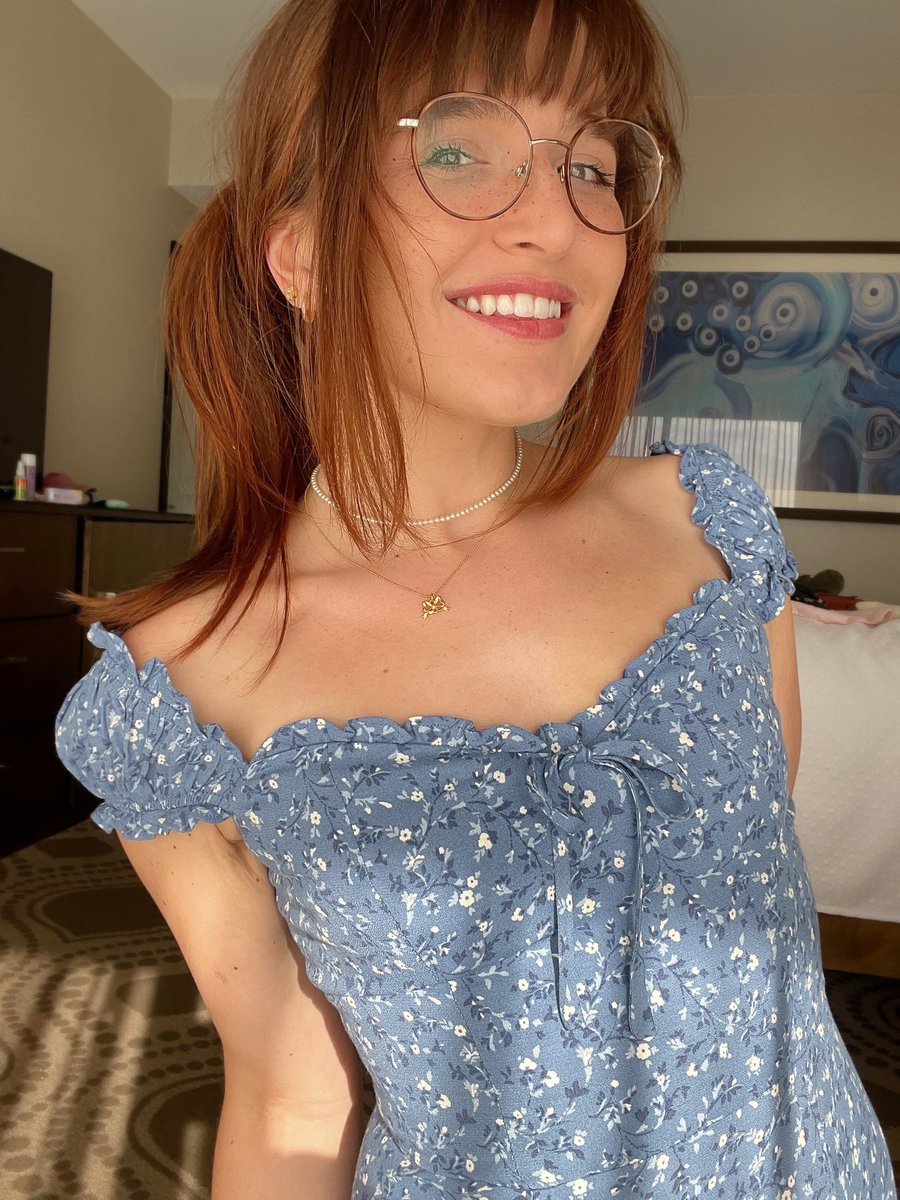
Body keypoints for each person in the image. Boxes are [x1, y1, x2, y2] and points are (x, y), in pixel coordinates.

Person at [54, 1, 897, 1197]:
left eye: (592, 165)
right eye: (456, 149)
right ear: (302, 255)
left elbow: (765, 914)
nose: (557, 218)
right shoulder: (179, 684)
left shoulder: (705, 525)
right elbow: (295, 1100)